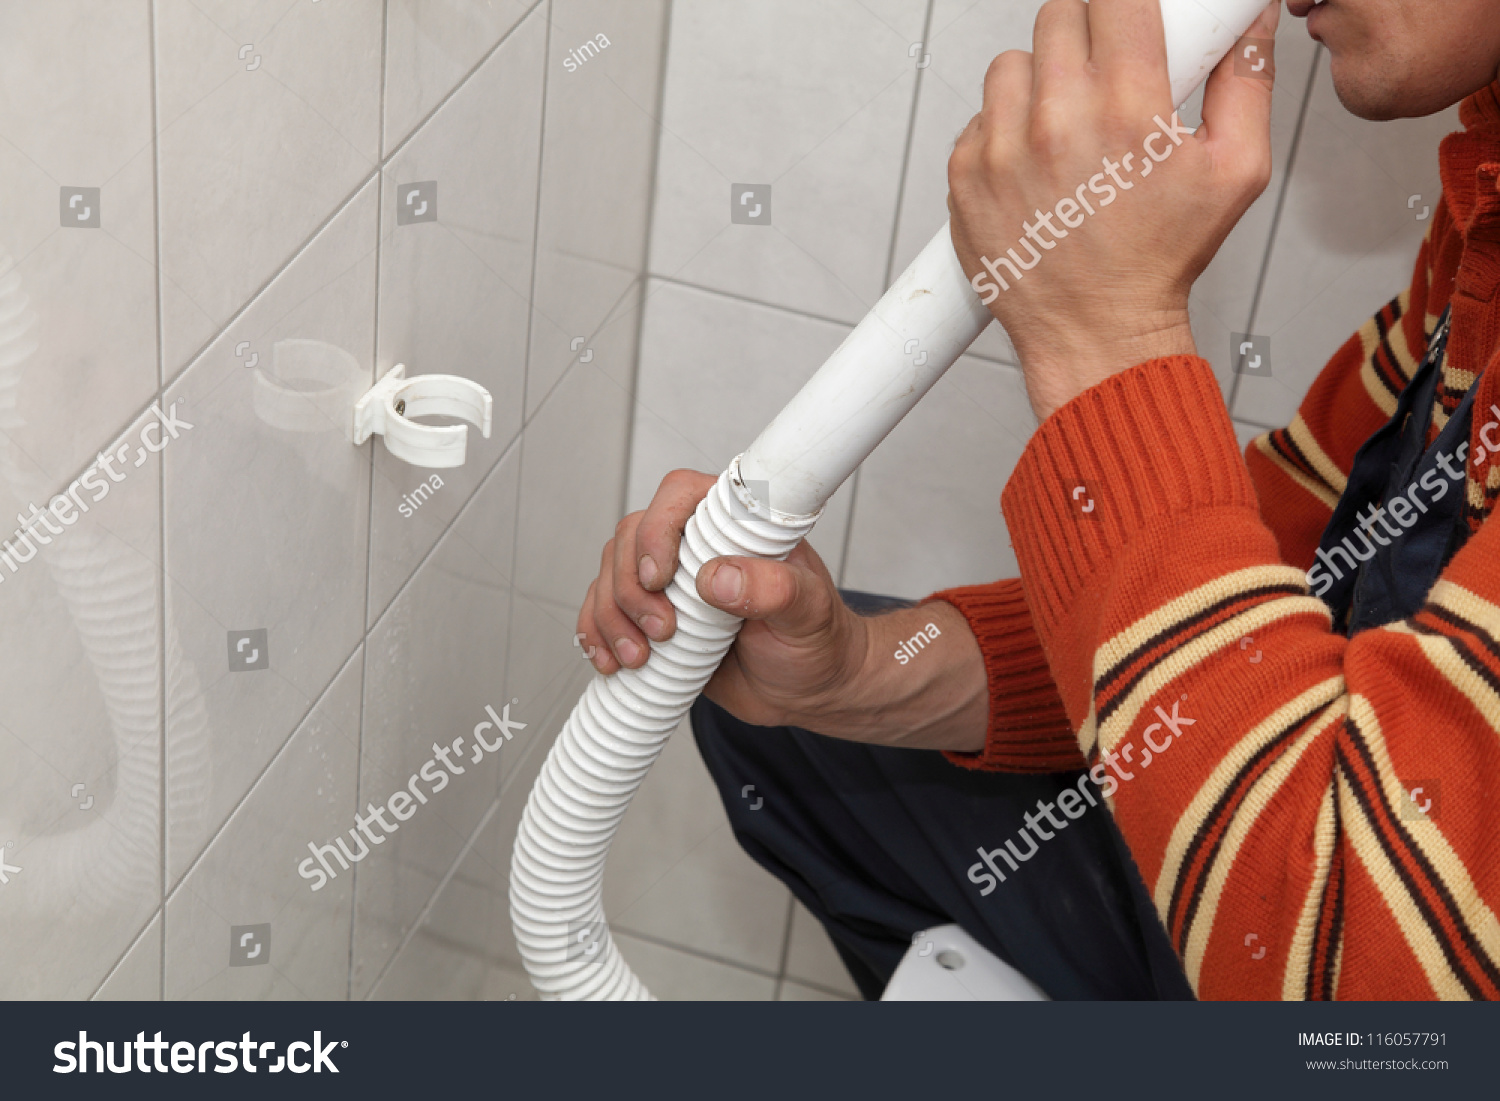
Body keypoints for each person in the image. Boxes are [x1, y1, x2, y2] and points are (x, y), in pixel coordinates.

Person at [576, 0, 1500, 1000]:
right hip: (1311, 850)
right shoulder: (1476, 222)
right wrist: (855, 673)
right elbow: (1279, 589)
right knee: (777, 724)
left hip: (1334, 953)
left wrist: (1110, 336)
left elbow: (1364, 980)